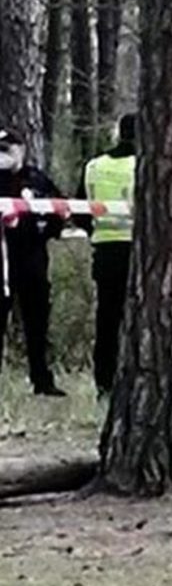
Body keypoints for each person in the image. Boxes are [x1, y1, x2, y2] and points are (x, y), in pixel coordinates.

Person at [0, 127, 66, 396]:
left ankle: (42, 380)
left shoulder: (36, 179)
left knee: (37, 323)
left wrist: (46, 231)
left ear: (21, 150)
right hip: (3, 261)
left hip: (32, 260)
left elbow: (60, 209)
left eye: (7, 149)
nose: (4, 155)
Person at [74, 114, 135, 397]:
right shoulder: (147, 166)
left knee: (107, 320)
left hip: (106, 251)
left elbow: (79, 211)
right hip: (140, 253)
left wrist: (96, 231)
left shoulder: (94, 166)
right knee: (142, 321)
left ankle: (105, 384)